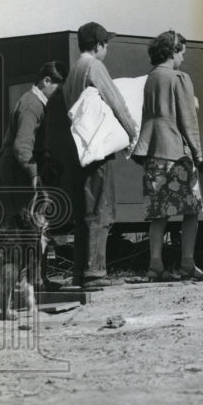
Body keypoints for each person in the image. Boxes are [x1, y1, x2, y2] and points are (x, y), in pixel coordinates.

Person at [62, 21, 138, 289]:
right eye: (106, 44)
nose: (107, 49)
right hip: (96, 148)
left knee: (84, 213)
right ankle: (95, 273)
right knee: (101, 211)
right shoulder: (94, 66)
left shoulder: (74, 70)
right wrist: (132, 132)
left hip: (78, 148)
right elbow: (116, 100)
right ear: (98, 45)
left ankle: (81, 273)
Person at [131, 30, 203, 282]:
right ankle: (187, 263)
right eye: (182, 53)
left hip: (153, 150)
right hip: (176, 152)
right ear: (173, 51)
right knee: (192, 210)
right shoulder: (179, 78)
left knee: (158, 212)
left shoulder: (151, 78)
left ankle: (155, 264)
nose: (183, 58)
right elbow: (188, 120)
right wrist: (198, 151)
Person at [0, 61, 66, 222]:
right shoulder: (32, 104)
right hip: (18, 173)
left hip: (17, 171)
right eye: (58, 87)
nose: (59, 93)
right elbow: (21, 146)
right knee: (26, 226)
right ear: (47, 81)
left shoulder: (32, 101)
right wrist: (34, 174)